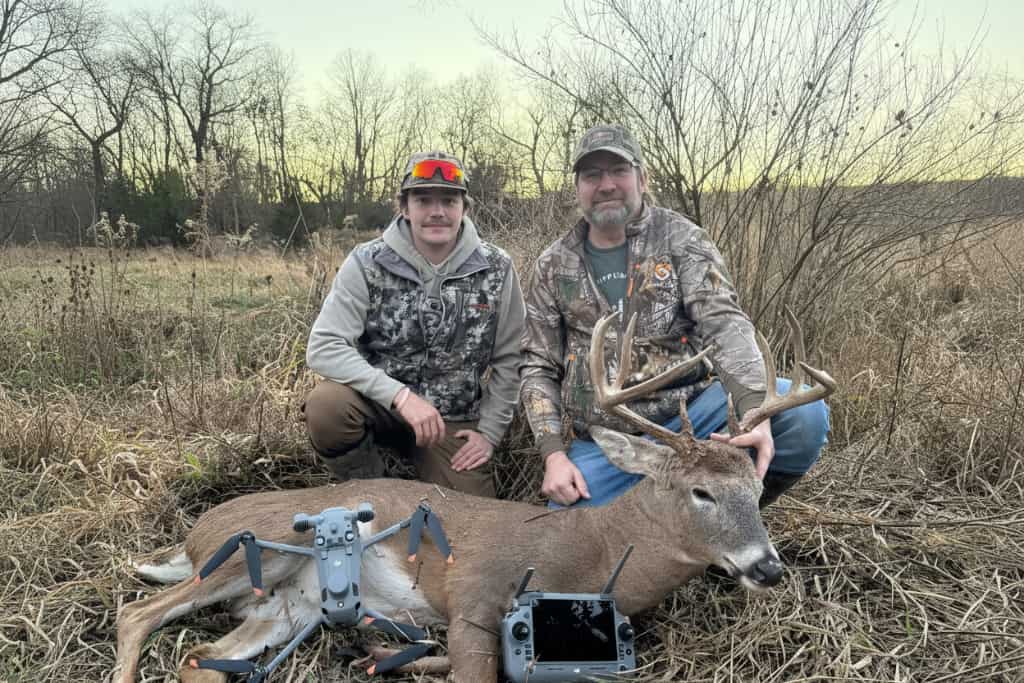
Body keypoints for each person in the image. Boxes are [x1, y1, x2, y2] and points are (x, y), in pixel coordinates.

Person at [520, 124, 829, 508]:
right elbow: (538, 367)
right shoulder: (553, 264)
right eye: (592, 175)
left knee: (803, 416)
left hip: (694, 423)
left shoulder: (683, 239)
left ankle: (733, 516)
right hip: (611, 445)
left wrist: (753, 410)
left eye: (619, 171)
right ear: (578, 188)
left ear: (642, 178)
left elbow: (724, 323)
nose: (606, 185)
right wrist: (553, 454)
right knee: (571, 539)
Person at [303, 151, 525, 498]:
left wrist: (490, 433)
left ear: (464, 208)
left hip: (451, 419)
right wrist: (400, 396)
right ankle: (371, 489)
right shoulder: (366, 262)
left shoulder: (497, 267)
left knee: (469, 523)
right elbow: (324, 347)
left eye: (449, 200)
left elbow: (512, 358)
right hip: (377, 405)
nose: (437, 211)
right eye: (423, 200)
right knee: (327, 408)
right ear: (404, 208)